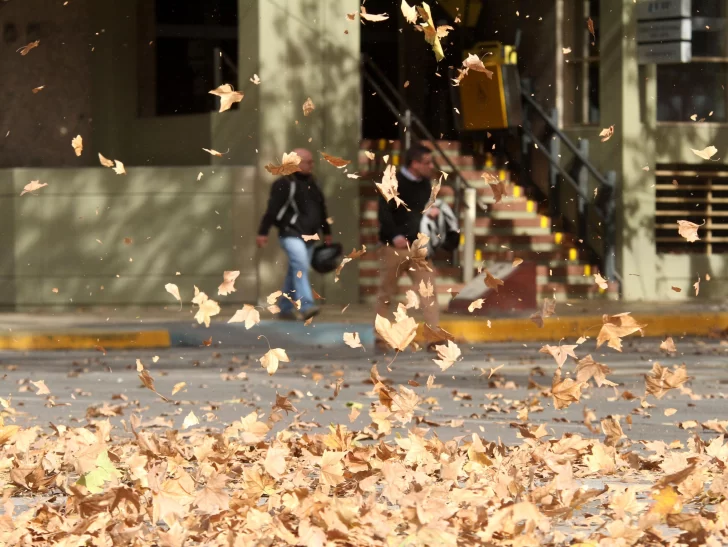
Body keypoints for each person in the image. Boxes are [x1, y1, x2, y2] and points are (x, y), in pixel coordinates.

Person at [375, 143, 444, 350]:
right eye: (426, 162)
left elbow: (418, 211)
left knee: (428, 292)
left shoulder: (424, 184)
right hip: (394, 247)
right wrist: (394, 235)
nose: (430, 166)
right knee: (386, 292)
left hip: (418, 248)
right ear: (414, 163)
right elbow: (384, 213)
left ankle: (433, 338)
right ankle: (380, 338)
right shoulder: (392, 181)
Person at [256, 148, 332, 321]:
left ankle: (284, 307)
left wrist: (327, 232)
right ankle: (306, 306)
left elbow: (321, 209)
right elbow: (272, 210)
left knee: (296, 270)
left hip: (310, 236)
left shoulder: (314, 183)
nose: (312, 165)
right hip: (291, 234)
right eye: (308, 162)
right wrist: (263, 232)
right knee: (300, 266)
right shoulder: (284, 184)